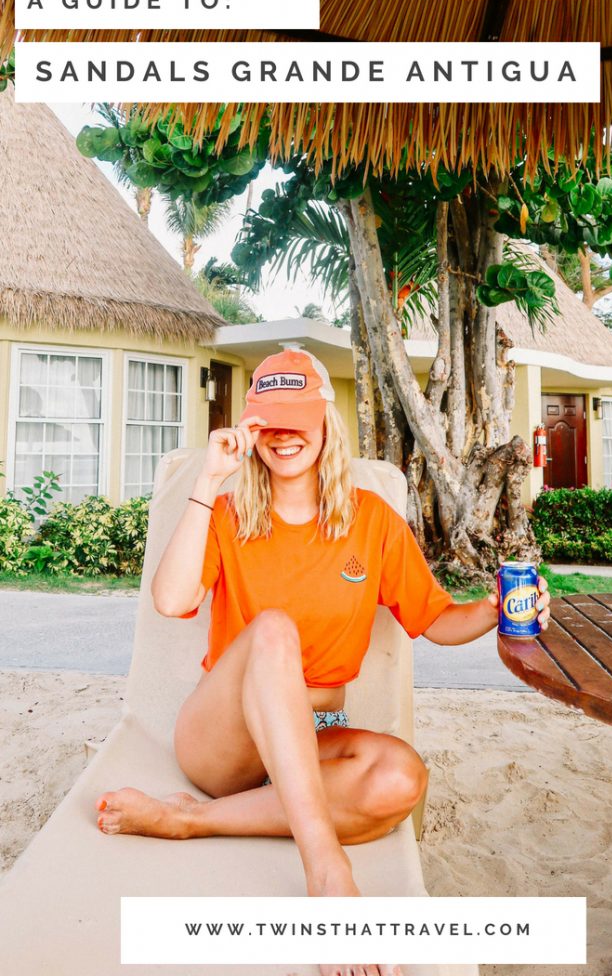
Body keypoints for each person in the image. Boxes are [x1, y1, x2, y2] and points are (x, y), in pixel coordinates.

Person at [95, 347, 550, 976]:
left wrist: (499, 606)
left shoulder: (373, 522)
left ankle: (188, 819)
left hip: (316, 737)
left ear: (325, 424)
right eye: (269, 421)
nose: (284, 436)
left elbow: (435, 620)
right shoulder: (227, 516)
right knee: (273, 630)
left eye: (297, 418)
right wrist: (207, 480)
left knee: (401, 778)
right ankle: (328, 874)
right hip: (223, 742)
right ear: (252, 430)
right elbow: (172, 599)